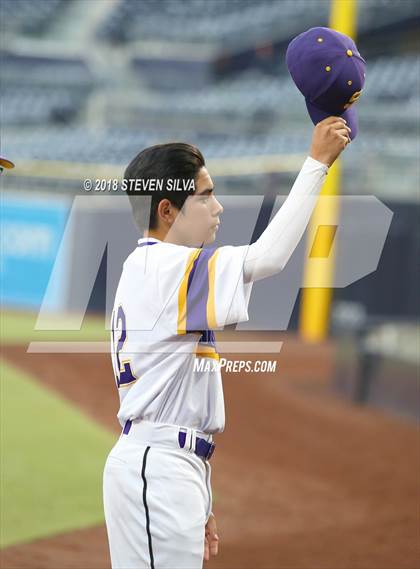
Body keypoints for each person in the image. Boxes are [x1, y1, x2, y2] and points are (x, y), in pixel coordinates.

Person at [103, 116, 351, 569]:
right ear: (166, 210)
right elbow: (269, 258)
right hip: (157, 469)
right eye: (206, 194)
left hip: (170, 467)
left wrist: (199, 494)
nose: (217, 207)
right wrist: (316, 163)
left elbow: (182, 405)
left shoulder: (157, 268)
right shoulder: (163, 268)